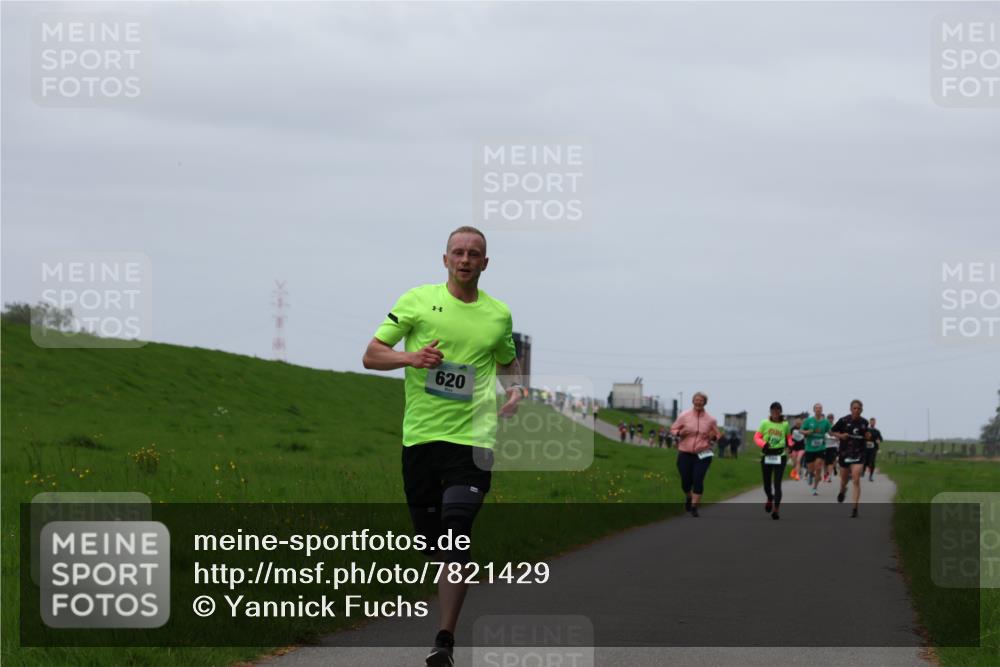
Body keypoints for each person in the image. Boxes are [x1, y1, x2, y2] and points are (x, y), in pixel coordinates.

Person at [362, 226, 522, 666]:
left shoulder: (498, 315)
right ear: (445, 259)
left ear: (485, 263)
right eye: (458, 252)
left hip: (473, 441)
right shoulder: (416, 301)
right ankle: (448, 600)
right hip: (421, 440)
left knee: (456, 532)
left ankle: (444, 640)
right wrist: (411, 357)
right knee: (434, 546)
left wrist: (515, 391)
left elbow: (508, 361)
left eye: (474, 253)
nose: (465, 259)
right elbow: (372, 355)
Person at [670, 392, 721, 517]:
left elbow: (718, 434)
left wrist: (713, 438)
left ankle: (694, 506)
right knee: (685, 481)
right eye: (696, 400)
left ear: (705, 403)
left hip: (703, 453)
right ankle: (689, 496)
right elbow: (673, 429)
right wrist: (679, 433)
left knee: (698, 479)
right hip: (685, 453)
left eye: (701, 400)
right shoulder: (684, 415)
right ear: (693, 401)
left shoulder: (710, 419)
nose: (698, 402)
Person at [831, 400, 870, 518]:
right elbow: (831, 431)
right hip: (845, 454)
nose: (856, 410)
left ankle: (855, 508)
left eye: (859, 408)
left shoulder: (864, 422)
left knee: (856, 479)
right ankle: (842, 491)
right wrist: (840, 435)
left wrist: (868, 436)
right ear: (850, 409)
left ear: (862, 410)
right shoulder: (843, 420)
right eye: (854, 408)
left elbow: (866, 435)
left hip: (859, 454)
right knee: (844, 480)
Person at [754, 401, 792, 520]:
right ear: (770, 411)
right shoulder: (764, 423)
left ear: (780, 411)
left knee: (777, 484)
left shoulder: (785, 424)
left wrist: (790, 445)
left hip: (780, 455)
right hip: (767, 455)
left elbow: (788, 437)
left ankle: (776, 510)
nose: (775, 412)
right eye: (773, 410)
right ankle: (770, 498)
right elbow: (756, 437)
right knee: (766, 484)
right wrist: (763, 444)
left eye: (777, 410)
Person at [801, 403, 832, 496]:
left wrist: (838, 435)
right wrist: (807, 432)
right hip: (809, 448)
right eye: (817, 408)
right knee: (811, 468)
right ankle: (810, 474)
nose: (818, 409)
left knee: (818, 467)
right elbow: (801, 430)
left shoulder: (826, 422)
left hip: (821, 448)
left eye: (820, 408)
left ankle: (815, 488)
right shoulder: (809, 421)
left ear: (822, 410)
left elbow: (830, 431)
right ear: (814, 410)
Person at [865, 417, 883, 482]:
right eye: (871, 422)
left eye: (873, 422)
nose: (872, 423)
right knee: (865, 461)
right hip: (865, 448)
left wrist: (878, 441)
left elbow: (881, 439)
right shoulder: (866, 430)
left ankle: (871, 476)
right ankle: (862, 472)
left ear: (875, 423)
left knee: (872, 462)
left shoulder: (877, 431)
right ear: (870, 422)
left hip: (873, 449)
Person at [823, 413, 838, 482]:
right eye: (829, 418)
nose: (830, 419)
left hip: (833, 446)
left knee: (830, 462)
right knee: (825, 462)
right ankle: (825, 475)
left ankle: (829, 476)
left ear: (833, 419)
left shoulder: (835, 426)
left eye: (831, 418)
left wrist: (834, 437)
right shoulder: (824, 426)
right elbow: (822, 435)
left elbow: (838, 436)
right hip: (825, 446)